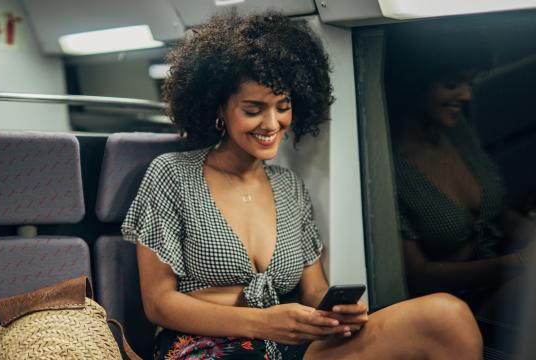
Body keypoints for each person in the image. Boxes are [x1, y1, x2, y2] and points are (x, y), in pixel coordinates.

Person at [122, 12, 482, 360]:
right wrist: (264, 323)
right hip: (202, 346)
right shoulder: (172, 174)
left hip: (287, 345)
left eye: (283, 106)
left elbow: (314, 291)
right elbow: (158, 302)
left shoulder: (289, 187)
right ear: (219, 108)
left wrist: (336, 314)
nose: (272, 123)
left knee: (446, 317)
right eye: (253, 109)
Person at [385, 24, 535, 324]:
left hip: (501, 283)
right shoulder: (390, 168)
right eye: (452, 85)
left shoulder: (456, 130)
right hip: (453, 310)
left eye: (469, 83)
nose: (466, 95)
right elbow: (419, 276)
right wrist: (517, 265)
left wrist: (529, 233)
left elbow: (495, 212)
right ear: (414, 85)